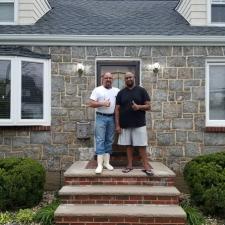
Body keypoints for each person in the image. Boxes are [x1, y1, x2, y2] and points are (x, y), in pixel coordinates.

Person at [115, 72, 153, 176]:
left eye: (130, 77)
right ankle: (129, 165)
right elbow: (117, 109)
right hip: (125, 124)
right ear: (124, 80)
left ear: (134, 78)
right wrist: (117, 125)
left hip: (139, 123)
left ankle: (146, 166)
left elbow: (149, 106)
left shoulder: (141, 90)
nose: (128, 79)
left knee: (142, 145)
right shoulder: (121, 93)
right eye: (126, 78)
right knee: (128, 146)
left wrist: (139, 107)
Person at [89, 72, 120, 174]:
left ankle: (106, 163)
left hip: (111, 118)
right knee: (100, 140)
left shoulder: (116, 91)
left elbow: (120, 105)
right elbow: (91, 103)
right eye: (106, 78)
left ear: (112, 79)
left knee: (109, 140)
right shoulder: (97, 90)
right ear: (102, 79)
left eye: (110, 78)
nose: (108, 79)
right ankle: (99, 165)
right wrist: (103, 103)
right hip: (100, 117)